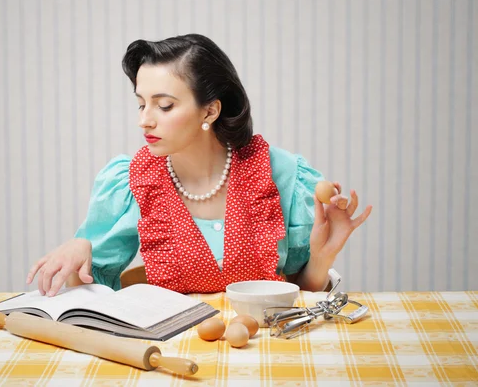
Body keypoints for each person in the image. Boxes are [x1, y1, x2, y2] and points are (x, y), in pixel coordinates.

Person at [26, 34, 372, 297]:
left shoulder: (281, 174)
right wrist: (81, 249)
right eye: (141, 104)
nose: (144, 121)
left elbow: (297, 302)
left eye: (163, 106)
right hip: (169, 358)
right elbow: (93, 301)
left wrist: (323, 259)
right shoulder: (131, 181)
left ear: (210, 111)